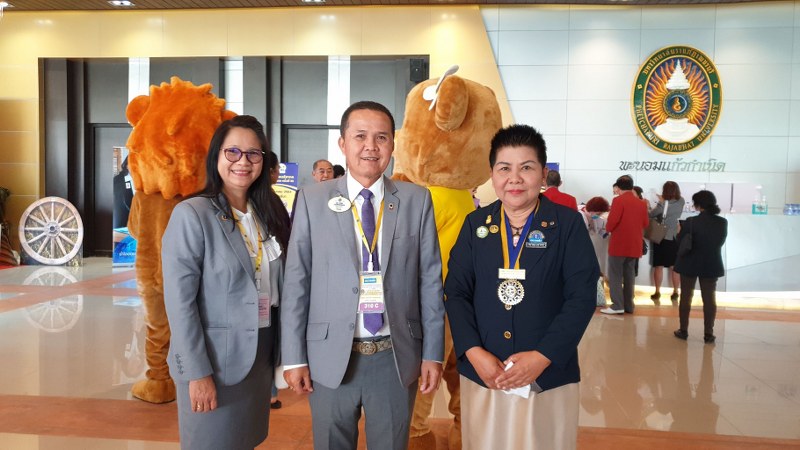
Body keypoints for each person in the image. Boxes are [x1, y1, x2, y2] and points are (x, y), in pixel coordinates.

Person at [281, 101, 445, 450]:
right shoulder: (312, 199)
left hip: (395, 356)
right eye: (360, 136)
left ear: (392, 145)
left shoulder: (416, 200)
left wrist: (433, 353)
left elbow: (430, 281)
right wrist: (294, 357)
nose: (371, 146)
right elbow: (297, 281)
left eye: (381, 137)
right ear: (342, 143)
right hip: (329, 357)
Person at [445, 124, 598, 450]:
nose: (514, 178)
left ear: (543, 174)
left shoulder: (567, 224)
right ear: (492, 175)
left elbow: (582, 296)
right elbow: (456, 292)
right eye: (504, 168)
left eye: (526, 168)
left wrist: (543, 356)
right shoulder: (476, 224)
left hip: (547, 375)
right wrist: (473, 352)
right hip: (485, 372)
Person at [161, 115, 291, 450]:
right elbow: (179, 303)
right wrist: (197, 372)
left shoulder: (267, 214)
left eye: (253, 154)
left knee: (246, 441)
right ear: (216, 155)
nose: (242, 162)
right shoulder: (193, 214)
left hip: (259, 354)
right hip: (214, 361)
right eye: (233, 152)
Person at [673, 190, 727, 343]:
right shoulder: (722, 222)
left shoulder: (690, 222)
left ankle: (683, 330)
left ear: (698, 205)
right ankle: (708, 334)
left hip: (689, 263)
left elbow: (681, 243)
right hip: (711, 263)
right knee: (709, 299)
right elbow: (720, 242)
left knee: (686, 297)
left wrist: (679, 232)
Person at [603, 175, 649, 315]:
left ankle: (617, 305)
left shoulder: (618, 201)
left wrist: (608, 229)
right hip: (634, 245)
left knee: (615, 275)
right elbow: (645, 223)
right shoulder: (641, 203)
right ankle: (629, 305)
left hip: (619, 244)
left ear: (618, 187)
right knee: (629, 275)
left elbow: (612, 222)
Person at [649, 181, 686, 304]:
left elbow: (652, 214)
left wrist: (658, 202)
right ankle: (676, 292)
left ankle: (657, 291)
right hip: (674, 237)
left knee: (658, 266)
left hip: (660, 236)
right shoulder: (681, 201)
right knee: (674, 267)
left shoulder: (662, 203)